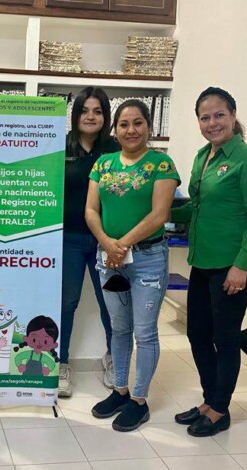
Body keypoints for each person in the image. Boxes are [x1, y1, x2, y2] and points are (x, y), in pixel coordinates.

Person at [172, 87, 247, 437]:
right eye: (205, 117)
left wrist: (241, 266)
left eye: (219, 115)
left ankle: (220, 409)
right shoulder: (204, 156)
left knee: (225, 338)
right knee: (197, 334)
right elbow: (197, 207)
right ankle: (208, 400)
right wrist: (160, 211)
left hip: (233, 267)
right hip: (202, 262)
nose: (212, 123)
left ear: (233, 116)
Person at [86, 99, 180, 432]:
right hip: (109, 258)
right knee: (119, 329)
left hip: (147, 258)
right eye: (124, 124)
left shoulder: (161, 164)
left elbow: (160, 214)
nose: (131, 130)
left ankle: (139, 401)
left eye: (138, 123)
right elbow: (91, 210)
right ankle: (120, 390)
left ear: (149, 127)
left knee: (145, 331)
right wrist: (107, 243)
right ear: (115, 130)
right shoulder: (103, 164)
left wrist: (121, 244)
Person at [59, 87, 120, 397]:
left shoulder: (115, 150)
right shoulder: (61, 146)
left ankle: (115, 359)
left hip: (105, 241)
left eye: (97, 111)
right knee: (66, 303)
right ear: (75, 114)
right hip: (68, 239)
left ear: (106, 116)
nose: (91, 116)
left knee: (111, 303)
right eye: (85, 110)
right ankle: (60, 363)